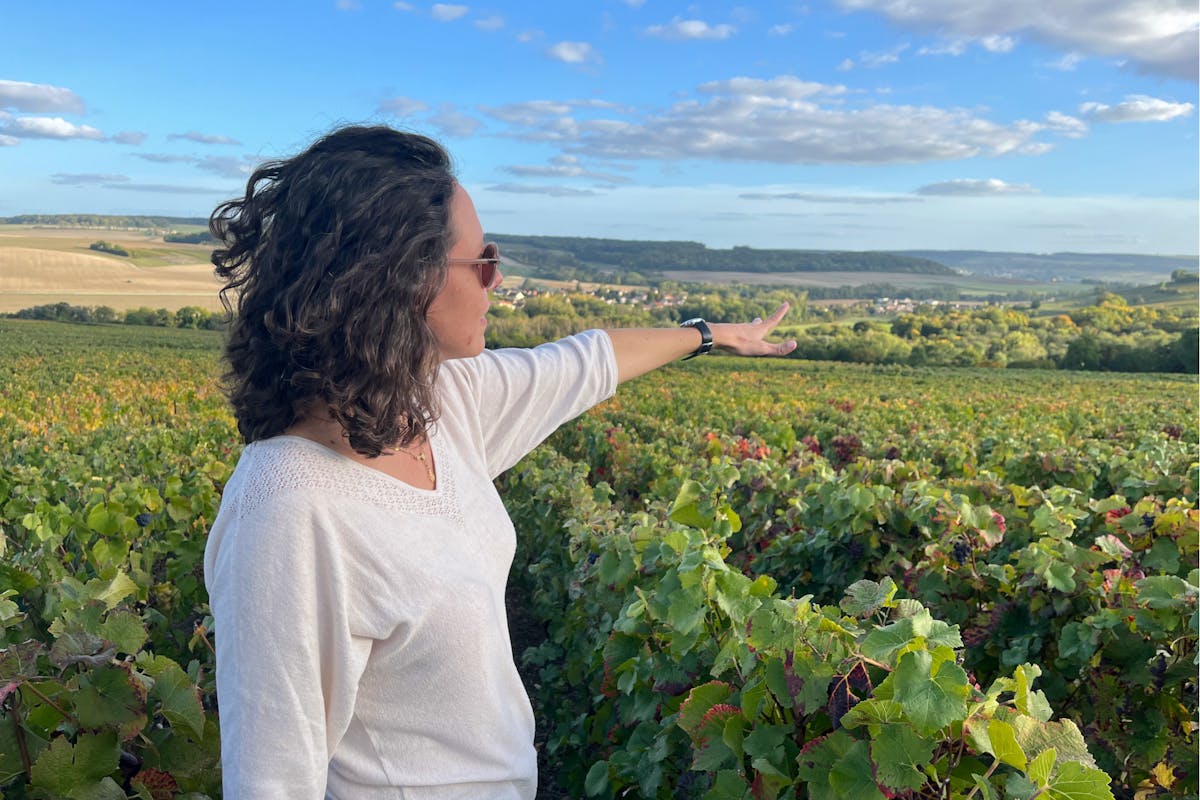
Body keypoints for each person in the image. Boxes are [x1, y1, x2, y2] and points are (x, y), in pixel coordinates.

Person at [202, 124, 797, 799]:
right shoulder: (288, 511)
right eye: (482, 261)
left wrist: (707, 334)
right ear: (398, 280)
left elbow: (587, 360)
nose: (498, 279)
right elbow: (272, 782)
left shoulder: (435, 402)